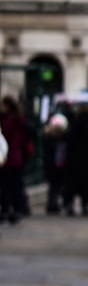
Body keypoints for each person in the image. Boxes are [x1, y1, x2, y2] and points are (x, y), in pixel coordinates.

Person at [0, 96, 31, 225]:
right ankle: (16, 210)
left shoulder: (7, 121)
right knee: (16, 185)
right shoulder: (20, 120)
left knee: (7, 186)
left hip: (7, 157)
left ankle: (8, 210)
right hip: (17, 157)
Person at [42, 112, 71, 215]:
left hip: (60, 166)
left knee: (58, 186)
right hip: (54, 166)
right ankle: (53, 204)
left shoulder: (65, 138)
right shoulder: (50, 138)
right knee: (54, 186)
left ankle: (55, 203)